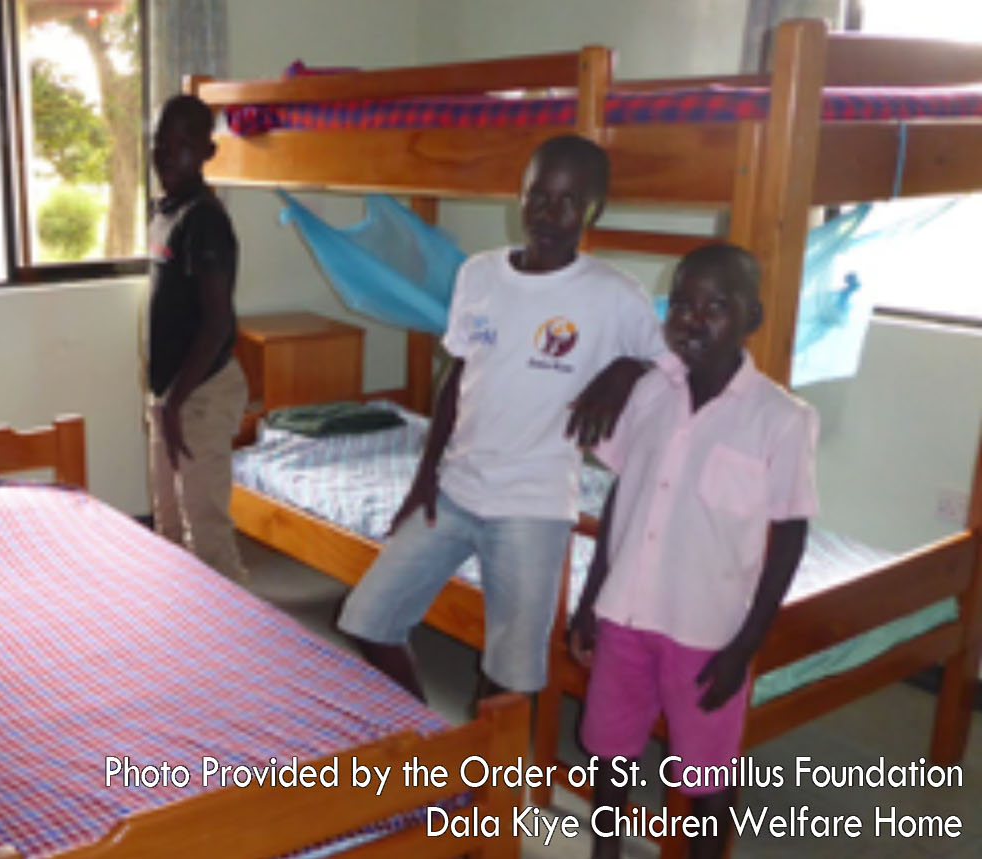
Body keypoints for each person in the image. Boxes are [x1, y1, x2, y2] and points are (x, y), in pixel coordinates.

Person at [336, 134, 666, 703]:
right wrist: (425, 477)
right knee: (367, 619)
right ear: (519, 195)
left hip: (532, 507)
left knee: (508, 678)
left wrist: (629, 368)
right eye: (538, 195)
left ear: (595, 209)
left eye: (568, 201)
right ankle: (430, 740)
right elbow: (457, 380)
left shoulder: (615, 297)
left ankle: (491, 787)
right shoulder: (479, 275)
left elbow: (677, 370)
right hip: (456, 491)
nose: (549, 214)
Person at [570, 244, 815, 859]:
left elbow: (789, 537)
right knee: (611, 755)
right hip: (625, 614)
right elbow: (623, 499)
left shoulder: (780, 420)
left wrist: (745, 648)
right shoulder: (650, 393)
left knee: (708, 777)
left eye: (715, 305)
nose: (692, 318)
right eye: (680, 303)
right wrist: (588, 602)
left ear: (751, 319)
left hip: (706, 633)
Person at [144, 93, 248, 580]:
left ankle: (241, 645)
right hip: (171, 395)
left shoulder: (205, 219)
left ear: (207, 152)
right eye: (162, 144)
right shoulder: (167, 211)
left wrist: (176, 401)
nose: (170, 155)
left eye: (185, 144)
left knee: (205, 534)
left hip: (199, 394)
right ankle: (187, 639)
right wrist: (162, 399)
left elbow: (217, 322)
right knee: (166, 529)